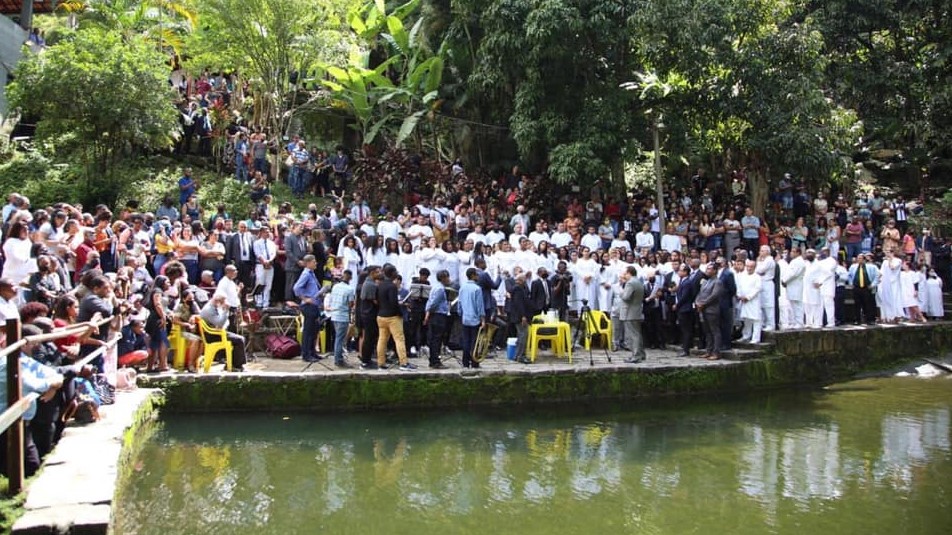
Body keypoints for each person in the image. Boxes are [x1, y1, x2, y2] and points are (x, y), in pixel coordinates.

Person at [376, 265, 415, 371]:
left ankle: (381, 363)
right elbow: (394, 303)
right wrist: (400, 313)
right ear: (392, 273)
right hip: (392, 317)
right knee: (399, 339)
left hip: (381, 315)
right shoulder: (392, 286)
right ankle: (403, 363)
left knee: (382, 340)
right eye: (395, 272)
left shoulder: (380, 285)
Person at [694, 263, 724, 359]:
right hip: (703, 309)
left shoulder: (717, 282)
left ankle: (716, 352)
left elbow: (714, 296)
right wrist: (697, 302)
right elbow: (700, 293)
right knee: (707, 332)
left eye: (709, 269)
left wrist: (703, 303)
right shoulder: (706, 281)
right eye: (707, 269)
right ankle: (708, 350)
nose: (707, 271)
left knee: (715, 331)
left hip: (712, 309)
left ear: (715, 271)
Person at [325, 270, 355, 367]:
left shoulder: (335, 286)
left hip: (334, 315)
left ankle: (338, 358)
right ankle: (339, 360)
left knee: (338, 337)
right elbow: (350, 304)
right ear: (350, 278)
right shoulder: (350, 289)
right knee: (340, 339)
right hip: (343, 316)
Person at [423, 270, 451, 369]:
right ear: (443, 278)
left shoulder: (435, 287)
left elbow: (429, 301)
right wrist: (429, 311)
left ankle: (433, 359)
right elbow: (434, 303)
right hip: (438, 315)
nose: (449, 279)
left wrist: (427, 312)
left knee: (434, 338)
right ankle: (435, 361)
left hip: (434, 315)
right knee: (437, 339)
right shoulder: (440, 289)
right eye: (447, 277)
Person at [459, 268, 486, 368]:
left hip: (465, 318)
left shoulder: (462, 287)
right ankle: (474, 362)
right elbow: (480, 306)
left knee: (466, 340)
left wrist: (460, 313)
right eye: (477, 275)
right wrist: (483, 319)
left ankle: (465, 362)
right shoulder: (477, 289)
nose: (478, 276)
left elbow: (459, 303)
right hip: (475, 319)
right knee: (475, 342)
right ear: (473, 275)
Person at [618, 266, 646, 363]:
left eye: (625, 273)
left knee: (633, 335)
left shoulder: (630, 283)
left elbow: (626, 297)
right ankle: (641, 353)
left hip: (629, 312)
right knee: (637, 334)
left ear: (629, 273)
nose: (624, 275)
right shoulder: (638, 281)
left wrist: (620, 291)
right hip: (636, 310)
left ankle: (636, 355)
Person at [737, 259, 763, 343]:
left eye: (751, 267)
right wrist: (740, 295)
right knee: (746, 319)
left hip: (753, 301)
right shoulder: (743, 276)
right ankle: (746, 335)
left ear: (754, 268)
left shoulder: (757, 277)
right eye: (747, 266)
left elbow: (757, 288)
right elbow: (739, 286)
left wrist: (748, 297)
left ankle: (755, 338)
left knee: (756, 319)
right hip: (743, 301)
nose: (749, 268)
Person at [508, 273, 532, 364]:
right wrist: (523, 316)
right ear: (521, 280)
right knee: (523, 335)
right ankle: (521, 356)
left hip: (517, 316)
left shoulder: (517, 288)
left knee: (520, 335)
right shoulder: (518, 289)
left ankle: (517, 355)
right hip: (519, 317)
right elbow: (519, 304)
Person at [849, 253, 878, 325]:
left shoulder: (871, 267)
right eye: (858, 258)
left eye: (860, 258)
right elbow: (849, 275)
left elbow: (877, 276)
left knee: (868, 304)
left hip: (866, 287)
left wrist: (873, 285)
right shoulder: (853, 267)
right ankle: (857, 320)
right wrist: (851, 283)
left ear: (864, 259)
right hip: (856, 287)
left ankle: (869, 320)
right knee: (857, 305)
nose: (859, 260)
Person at [674, 265, 697, 357]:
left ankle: (686, 349)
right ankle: (685, 347)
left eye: (681, 270)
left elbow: (684, 296)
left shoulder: (687, 282)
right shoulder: (682, 281)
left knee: (686, 329)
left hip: (685, 309)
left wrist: (677, 305)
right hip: (682, 308)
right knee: (684, 329)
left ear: (685, 272)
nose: (679, 272)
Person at [253, 227, 277, 308]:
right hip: (260, 265)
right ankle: (259, 302)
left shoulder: (271, 243)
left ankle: (266, 302)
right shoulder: (257, 243)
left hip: (270, 265)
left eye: (268, 232)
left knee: (268, 284)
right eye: (266, 232)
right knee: (260, 283)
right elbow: (258, 253)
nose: (267, 233)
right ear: (261, 233)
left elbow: (273, 253)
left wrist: (269, 261)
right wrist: (264, 262)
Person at [782, 247, 806, 329]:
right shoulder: (794, 261)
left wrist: (784, 280)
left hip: (796, 285)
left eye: (793, 251)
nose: (791, 253)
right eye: (791, 251)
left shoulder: (799, 262)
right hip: (792, 285)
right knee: (792, 304)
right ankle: (794, 321)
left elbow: (793, 273)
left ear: (798, 253)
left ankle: (799, 322)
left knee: (797, 304)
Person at [756, 245, 777, 331]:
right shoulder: (762, 260)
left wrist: (759, 270)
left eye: (762, 251)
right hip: (761, 283)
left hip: (767, 283)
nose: (760, 252)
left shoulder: (769, 260)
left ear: (768, 252)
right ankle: (764, 322)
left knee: (768, 305)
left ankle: (771, 324)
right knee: (762, 304)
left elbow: (759, 270)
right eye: (760, 250)